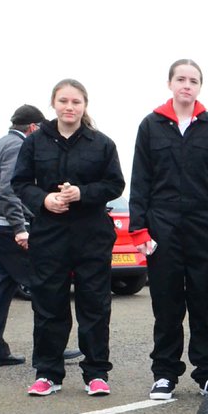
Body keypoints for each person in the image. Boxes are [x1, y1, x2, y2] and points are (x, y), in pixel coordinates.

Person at [12, 79, 125, 396]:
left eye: (76, 102)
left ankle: (96, 373)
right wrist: (43, 200)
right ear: (53, 104)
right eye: (63, 101)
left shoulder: (101, 144)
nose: (69, 107)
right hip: (49, 234)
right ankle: (48, 373)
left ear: (84, 105)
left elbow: (115, 184)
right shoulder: (35, 143)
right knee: (49, 304)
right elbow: (20, 182)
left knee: (95, 305)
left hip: (91, 233)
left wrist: (83, 193)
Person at [129, 59, 208, 401]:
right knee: (167, 303)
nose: (187, 85)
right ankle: (165, 373)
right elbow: (140, 181)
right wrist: (139, 230)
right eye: (181, 79)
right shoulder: (151, 126)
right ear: (170, 83)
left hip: (205, 229)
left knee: (205, 300)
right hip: (163, 227)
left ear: (200, 86)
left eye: (193, 80)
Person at [0, 104, 44, 368]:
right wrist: (20, 227)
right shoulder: (18, 147)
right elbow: (8, 191)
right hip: (7, 228)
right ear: (32, 127)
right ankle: (50, 347)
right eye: (40, 129)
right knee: (42, 285)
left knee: (1, 288)